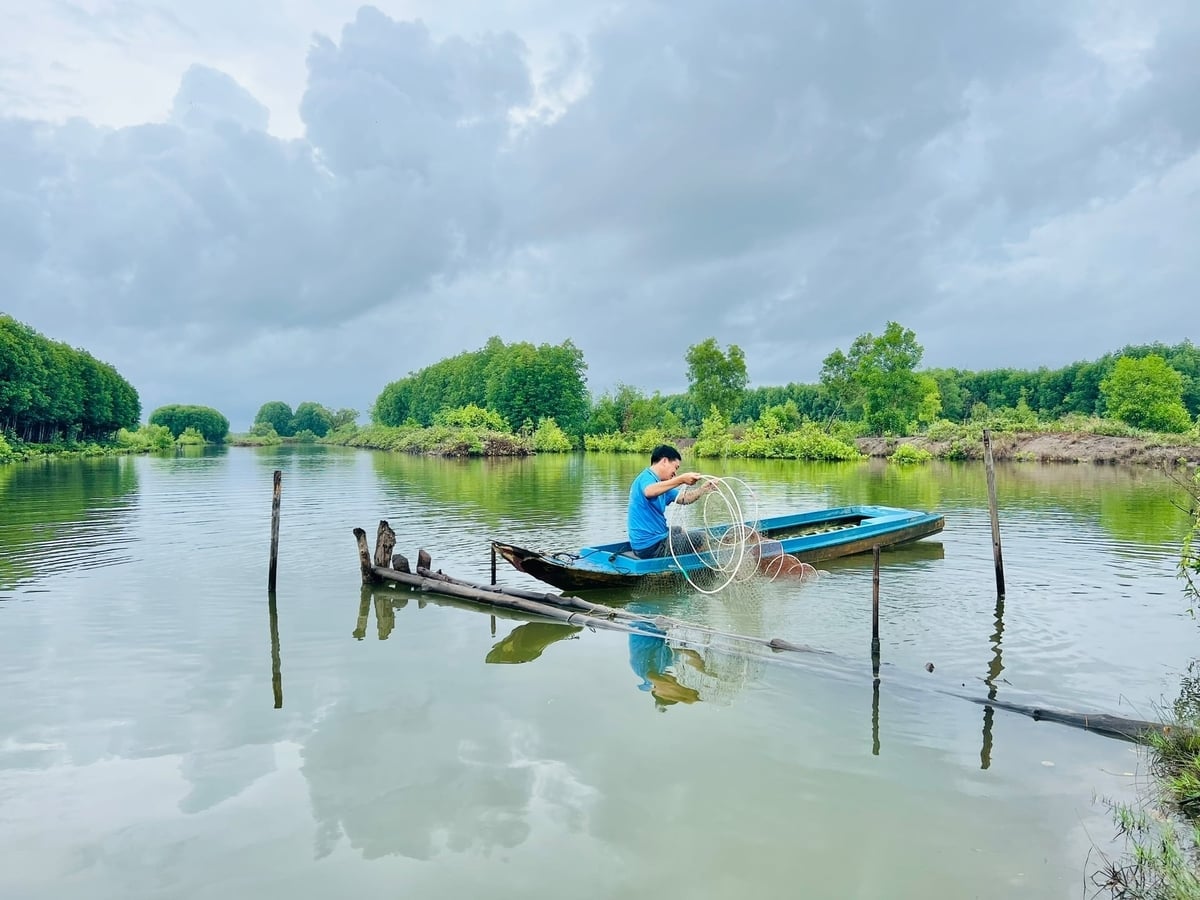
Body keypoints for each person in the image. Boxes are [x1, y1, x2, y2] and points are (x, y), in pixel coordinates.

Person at [627, 444, 716, 559]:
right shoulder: (646, 477)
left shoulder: (662, 485)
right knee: (701, 537)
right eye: (675, 467)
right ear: (664, 461)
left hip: (654, 540)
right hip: (650, 547)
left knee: (678, 530)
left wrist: (702, 489)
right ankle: (706, 566)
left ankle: (684, 560)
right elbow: (649, 491)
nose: (675, 473)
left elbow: (684, 498)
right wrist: (681, 479)